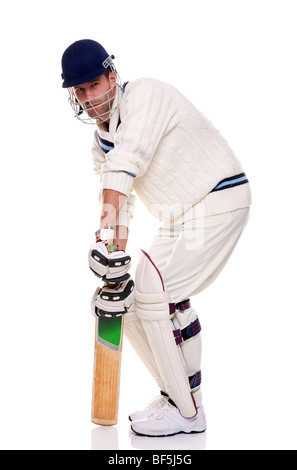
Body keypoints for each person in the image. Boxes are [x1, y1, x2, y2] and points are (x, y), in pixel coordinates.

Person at [61, 39, 251, 437]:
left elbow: (125, 167)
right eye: (79, 91)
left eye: (93, 85)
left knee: (152, 282)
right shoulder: (100, 143)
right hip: (182, 220)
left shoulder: (143, 95)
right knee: (125, 299)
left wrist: (105, 237)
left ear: (112, 75)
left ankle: (187, 412)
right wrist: (112, 254)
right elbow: (120, 202)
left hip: (218, 198)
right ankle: (176, 395)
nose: (88, 98)